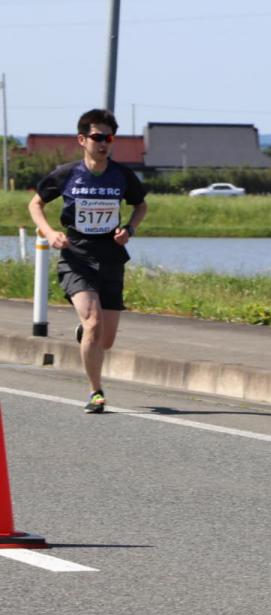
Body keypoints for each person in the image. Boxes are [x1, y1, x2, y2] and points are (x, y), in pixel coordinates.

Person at [28, 109, 148, 413]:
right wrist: (49, 232)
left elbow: (141, 205)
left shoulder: (122, 175)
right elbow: (36, 203)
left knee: (104, 340)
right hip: (76, 255)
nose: (103, 142)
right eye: (97, 137)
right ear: (82, 139)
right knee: (94, 321)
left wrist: (129, 229)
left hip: (110, 257)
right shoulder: (67, 174)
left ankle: (86, 334)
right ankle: (96, 392)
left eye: (108, 137)